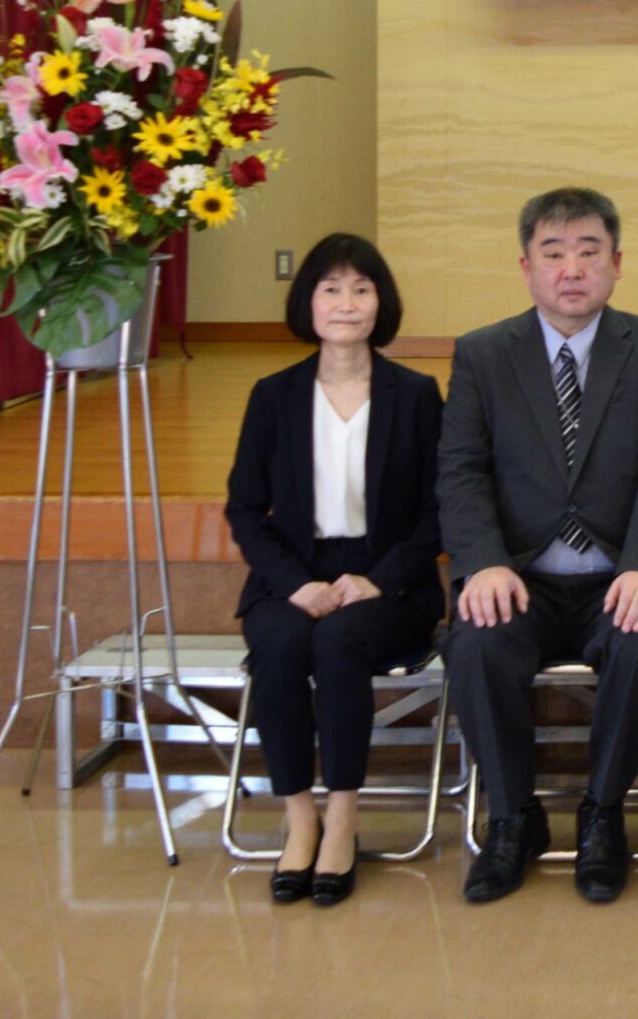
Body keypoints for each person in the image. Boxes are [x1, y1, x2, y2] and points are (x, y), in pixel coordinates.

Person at [439, 188, 638, 906]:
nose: (572, 269)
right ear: (527, 267)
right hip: (521, 574)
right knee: (476, 641)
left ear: (617, 263)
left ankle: (603, 815)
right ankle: (512, 818)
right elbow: (460, 470)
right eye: (553, 254)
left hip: (618, 573)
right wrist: (483, 561)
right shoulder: (484, 354)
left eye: (589, 252)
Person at [224, 233, 445, 908]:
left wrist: (378, 579)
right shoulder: (273, 396)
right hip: (295, 571)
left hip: (390, 579)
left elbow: (441, 509)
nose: (346, 303)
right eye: (331, 289)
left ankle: (343, 817)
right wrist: (295, 583)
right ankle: (300, 819)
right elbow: (244, 508)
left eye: (361, 289)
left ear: (381, 302)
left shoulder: (415, 395)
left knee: (340, 640)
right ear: (308, 302)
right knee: (281, 641)